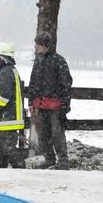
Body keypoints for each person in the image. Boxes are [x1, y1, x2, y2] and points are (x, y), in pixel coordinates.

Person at [28, 31, 73, 170]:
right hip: (40, 104)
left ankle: (63, 160)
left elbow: (66, 84)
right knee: (43, 133)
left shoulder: (59, 61)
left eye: (38, 45)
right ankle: (49, 158)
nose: (35, 47)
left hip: (55, 105)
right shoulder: (38, 61)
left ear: (45, 46)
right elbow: (33, 82)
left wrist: (64, 105)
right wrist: (31, 101)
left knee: (57, 133)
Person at [0, 42, 25, 168]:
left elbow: (5, 96)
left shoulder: (6, 72)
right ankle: (2, 173)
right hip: (4, 119)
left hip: (6, 119)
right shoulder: (7, 71)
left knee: (7, 150)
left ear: (1, 56)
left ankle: (21, 171)